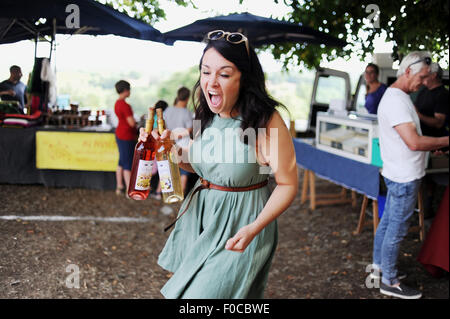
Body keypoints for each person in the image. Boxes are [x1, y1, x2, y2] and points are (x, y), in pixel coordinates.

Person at [139, 30, 298, 298]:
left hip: (243, 223)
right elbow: (203, 167)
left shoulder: (266, 121)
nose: (211, 82)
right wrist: (166, 151)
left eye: (224, 74)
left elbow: (287, 184)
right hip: (203, 220)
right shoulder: (207, 115)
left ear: (244, 78)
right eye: (205, 72)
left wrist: (255, 228)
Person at [373, 51, 449, 299]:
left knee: (387, 225)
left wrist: (433, 144)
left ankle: (380, 269)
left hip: (398, 172)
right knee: (396, 229)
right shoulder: (396, 100)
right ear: (408, 72)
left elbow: (413, 139)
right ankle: (389, 281)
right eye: (423, 77)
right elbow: (414, 143)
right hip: (403, 177)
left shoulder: (400, 96)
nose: (425, 82)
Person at [163, 87, 194, 195]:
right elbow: (189, 130)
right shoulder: (186, 112)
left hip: (169, 144)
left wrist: (171, 136)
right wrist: (177, 136)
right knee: (184, 173)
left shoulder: (168, 110)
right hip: (183, 146)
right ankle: (180, 195)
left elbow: (163, 127)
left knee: (170, 170)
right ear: (187, 98)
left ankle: (168, 194)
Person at [114, 80, 137, 197]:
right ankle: (129, 189)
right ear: (126, 90)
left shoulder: (117, 103)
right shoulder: (125, 105)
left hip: (119, 134)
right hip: (127, 135)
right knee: (127, 163)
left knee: (121, 161)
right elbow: (131, 123)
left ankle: (119, 186)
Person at [415, 62, 449, 137]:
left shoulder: (443, 94)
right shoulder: (423, 91)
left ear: (434, 75)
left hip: (435, 142)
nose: (422, 76)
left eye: (425, 74)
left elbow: (438, 123)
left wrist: (418, 115)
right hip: (421, 139)